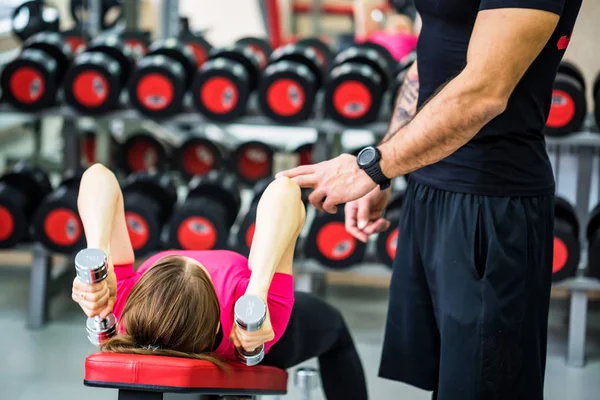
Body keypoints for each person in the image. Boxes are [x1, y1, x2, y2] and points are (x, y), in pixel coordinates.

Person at [277, 1, 582, 399]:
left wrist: (371, 167)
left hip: (489, 202)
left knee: (484, 389)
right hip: (430, 188)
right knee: (448, 382)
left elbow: (485, 91)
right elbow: (434, 54)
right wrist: (384, 171)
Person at [71, 163, 368, 400]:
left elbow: (99, 175)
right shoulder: (255, 319)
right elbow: (285, 191)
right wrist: (257, 293)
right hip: (264, 338)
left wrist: (97, 260)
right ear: (216, 322)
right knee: (336, 332)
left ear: (142, 291)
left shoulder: (122, 309)